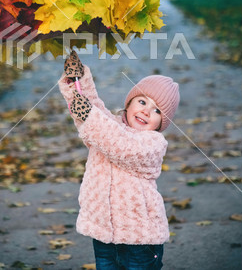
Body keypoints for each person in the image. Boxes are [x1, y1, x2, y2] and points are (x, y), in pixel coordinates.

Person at [59, 50, 180, 270]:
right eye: (142, 101)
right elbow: (93, 110)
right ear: (129, 103)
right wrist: (77, 80)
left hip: (140, 240)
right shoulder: (109, 125)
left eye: (156, 111)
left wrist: (89, 115)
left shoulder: (153, 143)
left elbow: (121, 145)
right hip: (104, 233)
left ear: (163, 121)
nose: (146, 111)